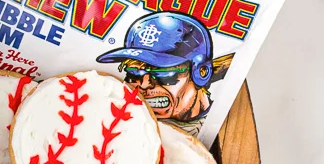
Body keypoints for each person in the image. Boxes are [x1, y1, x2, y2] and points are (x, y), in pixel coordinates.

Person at [97, 12, 232, 134]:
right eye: (134, 74)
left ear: (201, 72)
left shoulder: (222, 127)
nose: (144, 84)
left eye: (162, 73)